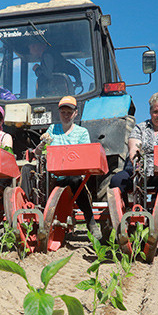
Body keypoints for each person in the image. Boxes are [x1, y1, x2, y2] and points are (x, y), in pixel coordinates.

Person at [41, 95, 101, 238]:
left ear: (75, 113)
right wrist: (42, 144)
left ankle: (91, 222)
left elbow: (84, 156)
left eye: (69, 112)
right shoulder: (52, 129)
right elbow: (42, 152)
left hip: (73, 175)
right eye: (63, 112)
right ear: (59, 113)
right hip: (54, 175)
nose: (66, 115)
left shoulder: (82, 133)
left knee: (76, 181)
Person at [110, 91, 158, 193]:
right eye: (155, 112)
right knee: (116, 180)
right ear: (150, 112)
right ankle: (125, 206)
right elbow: (134, 147)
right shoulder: (140, 128)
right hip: (138, 172)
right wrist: (136, 160)